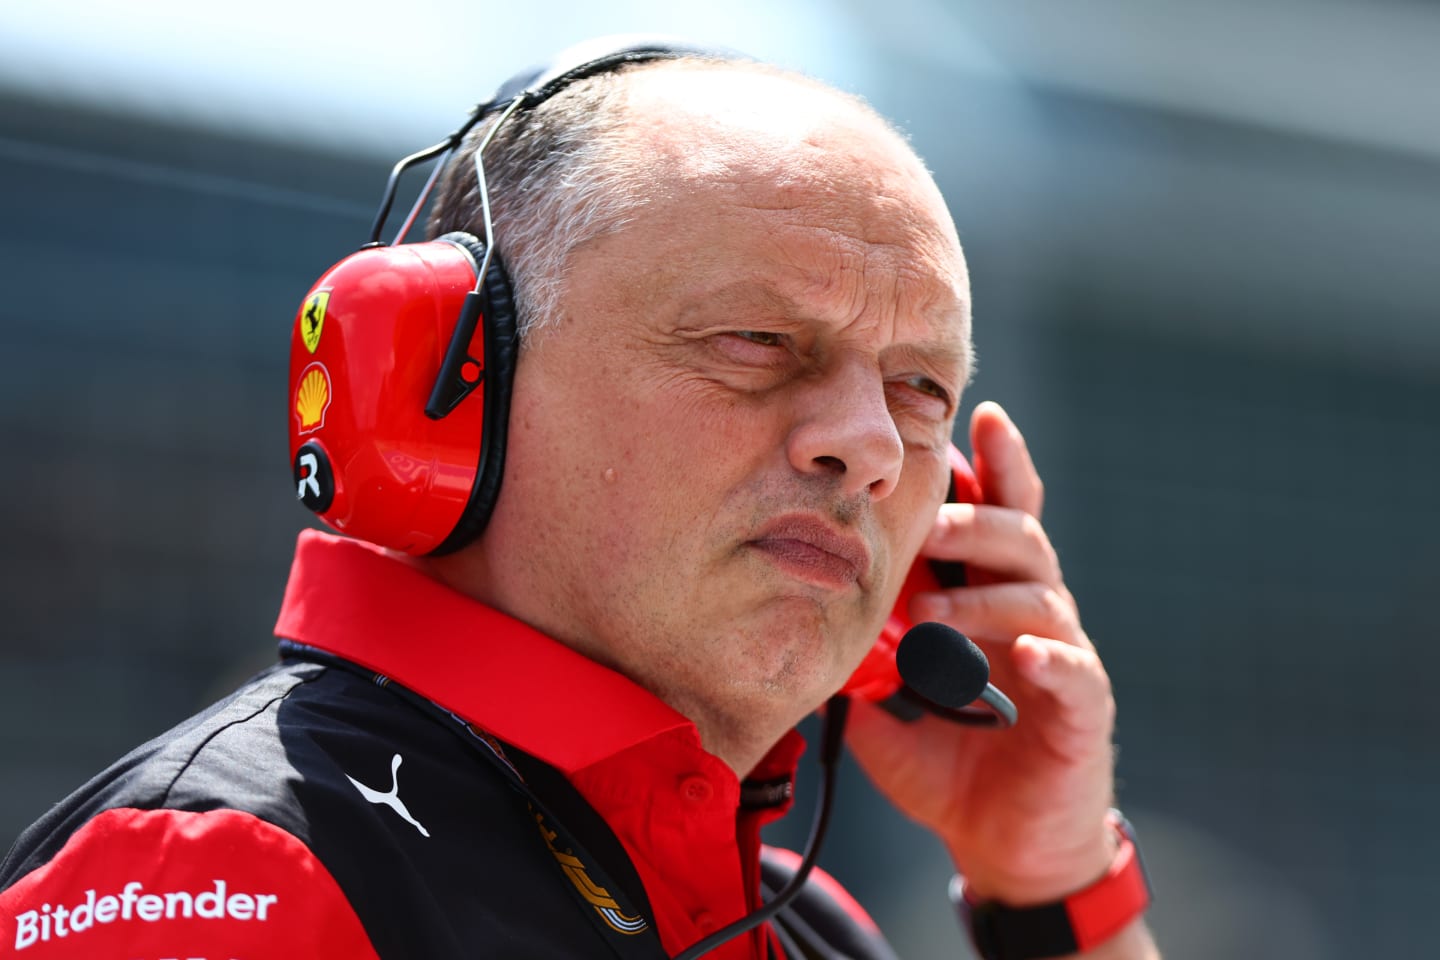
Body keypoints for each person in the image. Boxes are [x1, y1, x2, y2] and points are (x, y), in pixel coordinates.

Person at [0, 40, 1159, 960]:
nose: (867, 447)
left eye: (919, 389)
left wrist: (1054, 888)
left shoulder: (810, 929)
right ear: (447, 382)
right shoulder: (222, 876)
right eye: (755, 342)